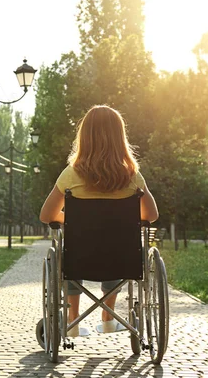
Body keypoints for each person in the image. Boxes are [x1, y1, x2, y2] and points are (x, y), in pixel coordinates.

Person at [39, 105, 159, 336]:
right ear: (119, 137)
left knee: (70, 252)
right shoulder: (132, 176)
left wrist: (73, 220)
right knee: (116, 244)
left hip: (80, 257)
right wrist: (117, 220)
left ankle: (73, 320)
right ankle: (107, 318)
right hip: (121, 259)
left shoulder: (70, 175)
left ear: (84, 137)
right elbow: (151, 215)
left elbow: (46, 215)